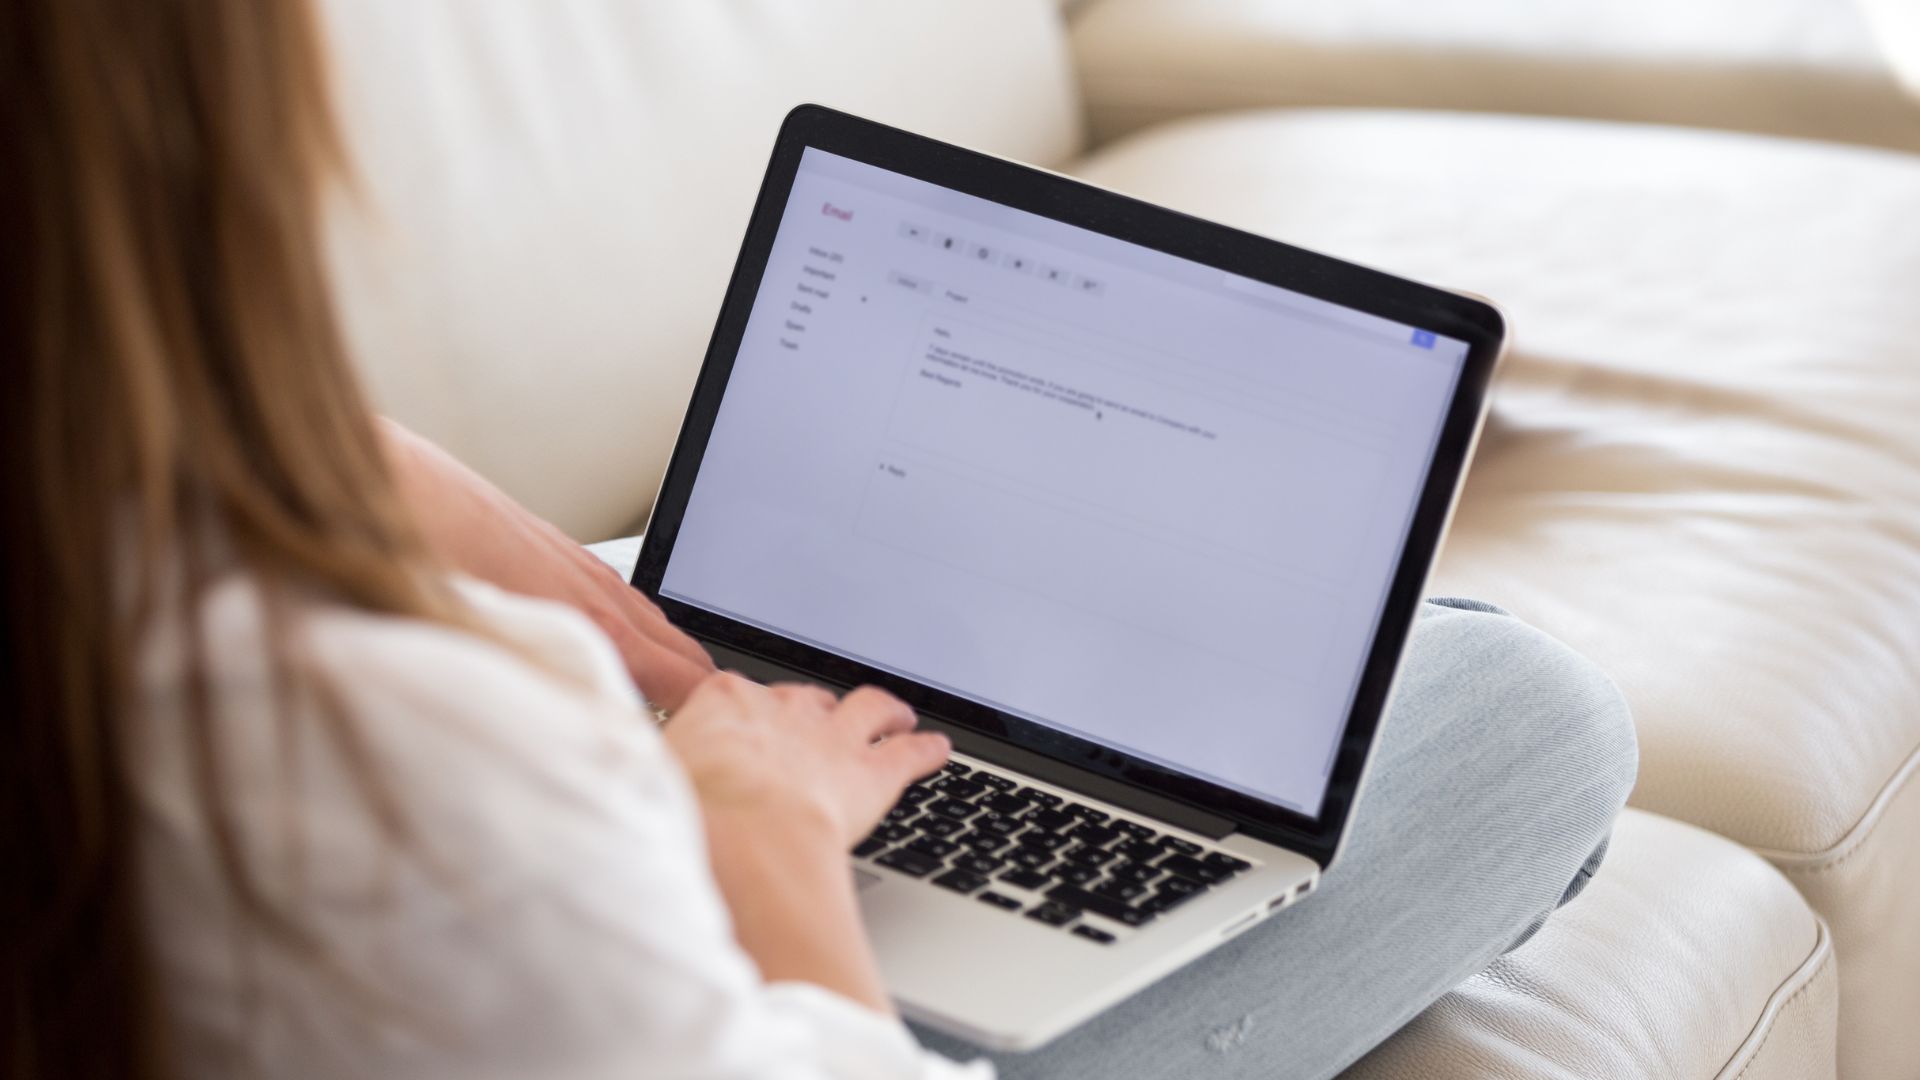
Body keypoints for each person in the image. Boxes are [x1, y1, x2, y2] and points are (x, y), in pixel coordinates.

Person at [0, 2, 1637, 1078]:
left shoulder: (120, 565)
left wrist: (317, 456)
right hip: (779, 985)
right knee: (1523, 706)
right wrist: (773, 842)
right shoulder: (378, 748)